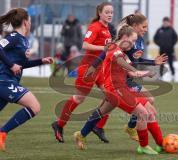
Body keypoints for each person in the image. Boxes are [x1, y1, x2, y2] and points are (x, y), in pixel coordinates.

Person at [75, 13, 168, 145]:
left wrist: (153, 63)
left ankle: (84, 133)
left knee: (105, 109)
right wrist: (93, 67)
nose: (146, 29)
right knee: (145, 103)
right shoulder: (124, 40)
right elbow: (108, 53)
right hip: (118, 81)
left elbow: (135, 59)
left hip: (124, 78)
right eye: (144, 26)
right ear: (135, 26)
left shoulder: (138, 40)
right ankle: (131, 129)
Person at [51, 2, 113, 143]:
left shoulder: (107, 28)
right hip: (89, 68)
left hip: (99, 69)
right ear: (100, 13)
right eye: (107, 12)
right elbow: (85, 45)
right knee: (79, 98)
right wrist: (103, 47)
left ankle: (98, 126)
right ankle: (59, 124)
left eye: (111, 12)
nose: (110, 14)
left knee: (112, 97)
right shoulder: (95, 27)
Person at [0, 8, 53, 151]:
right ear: (25, 22)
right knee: (34, 106)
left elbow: (21, 66)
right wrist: (11, 65)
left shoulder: (23, 40)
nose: (30, 24)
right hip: (4, 81)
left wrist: (41, 61)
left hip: (8, 82)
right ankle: (2, 132)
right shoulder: (14, 37)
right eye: (30, 21)